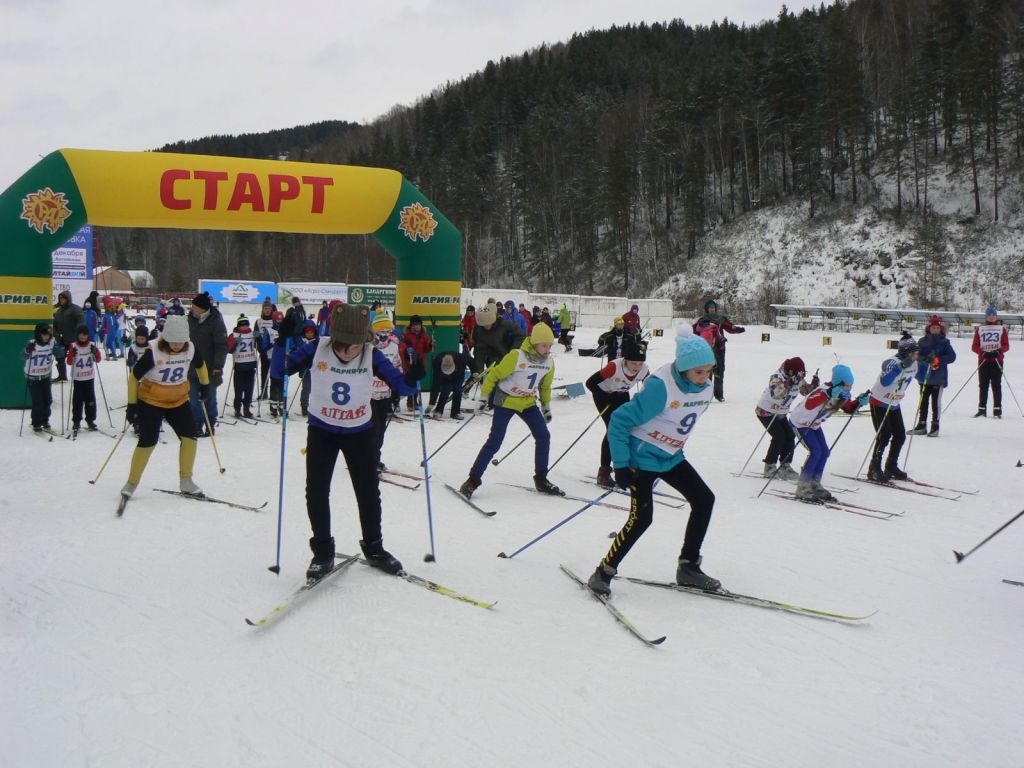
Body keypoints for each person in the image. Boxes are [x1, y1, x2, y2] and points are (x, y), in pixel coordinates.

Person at [285, 303, 425, 581]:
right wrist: (281, 343)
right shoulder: (317, 348)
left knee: (368, 491)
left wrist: (413, 376)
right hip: (322, 430)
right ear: (334, 339)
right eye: (344, 346)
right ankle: (323, 551)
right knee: (316, 490)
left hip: (360, 430)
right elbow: (281, 370)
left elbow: (401, 386)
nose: (351, 352)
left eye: (357, 345)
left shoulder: (371, 354)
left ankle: (374, 548)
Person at [586, 325, 721, 597]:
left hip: (670, 456)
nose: (705, 378)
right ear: (683, 368)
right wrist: (621, 465)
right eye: (698, 372)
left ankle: (688, 567)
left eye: (709, 371)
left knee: (704, 499)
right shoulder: (661, 388)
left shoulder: (704, 387)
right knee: (642, 519)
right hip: (641, 459)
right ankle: (603, 572)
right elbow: (619, 422)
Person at [458, 323, 561, 499]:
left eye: (550, 345)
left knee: (543, 436)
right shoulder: (517, 356)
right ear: (534, 343)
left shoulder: (549, 363)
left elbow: (545, 386)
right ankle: (472, 480)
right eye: (544, 345)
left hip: (527, 402)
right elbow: (494, 375)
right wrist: (483, 398)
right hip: (505, 400)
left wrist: (546, 406)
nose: (548, 349)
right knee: (495, 441)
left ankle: (541, 478)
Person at [120, 315, 210, 500]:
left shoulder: (190, 348)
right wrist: (131, 405)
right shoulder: (153, 350)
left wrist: (205, 386)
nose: (177, 346)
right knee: (148, 441)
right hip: (152, 401)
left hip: (178, 400)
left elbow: (201, 366)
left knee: (190, 437)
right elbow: (134, 377)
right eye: (173, 342)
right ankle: (132, 482)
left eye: (181, 342)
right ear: (166, 337)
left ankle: (186, 480)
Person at [788, 364, 863, 502]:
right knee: (816, 451)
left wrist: (859, 402)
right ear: (838, 382)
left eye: (851, 385)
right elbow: (809, 404)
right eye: (847, 385)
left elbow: (849, 408)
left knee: (825, 451)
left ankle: (815, 483)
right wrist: (827, 395)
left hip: (814, 425)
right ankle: (803, 486)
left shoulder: (841, 394)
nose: (849, 388)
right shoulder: (824, 390)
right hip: (800, 423)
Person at [586, 335, 650, 488]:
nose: (636, 367)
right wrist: (607, 398)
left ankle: (626, 465)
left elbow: (650, 388)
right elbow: (590, 383)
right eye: (633, 363)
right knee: (613, 430)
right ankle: (604, 472)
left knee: (630, 429)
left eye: (640, 364)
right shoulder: (614, 367)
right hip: (603, 395)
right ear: (626, 360)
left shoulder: (644, 370)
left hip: (621, 395)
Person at [866, 334, 919, 482]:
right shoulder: (892, 362)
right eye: (914, 352)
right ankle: (874, 468)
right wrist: (900, 367)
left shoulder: (914, 363)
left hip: (894, 403)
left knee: (900, 435)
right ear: (907, 352)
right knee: (884, 436)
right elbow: (885, 380)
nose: (917, 354)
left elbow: (918, 377)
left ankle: (891, 465)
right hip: (879, 401)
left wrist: (930, 364)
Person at [755, 358, 817, 479]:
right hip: (766, 411)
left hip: (781, 412)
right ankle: (770, 466)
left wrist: (813, 385)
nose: (800, 376)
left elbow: (806, 392)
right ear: (790, 371)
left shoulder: (798, 378)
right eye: (798, 373)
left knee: (790, 435)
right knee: (779, 436)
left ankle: (785, 465)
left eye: (802, 373)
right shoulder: (777, 377)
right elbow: (776, 394)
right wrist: (788, 383)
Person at [187, 292, 228, 436]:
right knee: (193, 397)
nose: (191, 308)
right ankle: (197, 423)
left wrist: (218, 366)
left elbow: (222, 345)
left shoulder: (216, 321)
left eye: (194, 306)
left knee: (210, 397)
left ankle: (210, 422)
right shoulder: (189, 320)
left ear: (202, 308)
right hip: (191, 368)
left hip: (209, 367)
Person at [369, 314, 405, 472]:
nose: (385, 333)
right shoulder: (369, 347)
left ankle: (376, 458)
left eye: (388, 330)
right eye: (381, 330)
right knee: (372, 430)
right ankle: (369, 460)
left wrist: (400, 383)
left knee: (381, 430)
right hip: (369, 394)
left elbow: (397, 365)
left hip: (385, 392)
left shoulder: (393, 346)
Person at [910, 316, 956, 436]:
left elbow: (952, 357)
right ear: (929, 329)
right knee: (923, 401)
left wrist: (938, 359)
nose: (935, 330)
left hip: (938, 377)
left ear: (941, 329)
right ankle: (922, 424)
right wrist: (925, 359)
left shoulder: (945, 342)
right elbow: (916, 356)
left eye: (937, 328)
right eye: (933, 328)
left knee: (936, 403)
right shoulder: (922, 341)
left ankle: (935, 425)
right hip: (924, 376)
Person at [694, 299, 746, 402]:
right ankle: (705, 395)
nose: (712, 309)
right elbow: (696, 330)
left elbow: (730, 327)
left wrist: (738, 329)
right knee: (707, 371)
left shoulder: (721, 319)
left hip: (720, 347)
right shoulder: (703, 320)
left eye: (713, 307)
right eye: (710, 307)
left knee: (720, 370)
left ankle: (719, 395)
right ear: (707, 309)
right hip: (707, 348)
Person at [972, 307, 1009, 418]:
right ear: (986, 316)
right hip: (984, 360)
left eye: (993, 315)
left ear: (996, 317)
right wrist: (982, 353)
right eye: (989, 315)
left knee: (996, 385)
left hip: (997, 360)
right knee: (983, 385)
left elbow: (1006, 345)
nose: (991, 317)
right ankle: (982, 410)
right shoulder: (980, 329)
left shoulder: (1001, 329)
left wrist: (998, 351)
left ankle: (997, 410)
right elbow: (974, 346)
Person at [67, 324, 102, 435]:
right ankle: (76, 421)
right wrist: (72, 354)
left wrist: (95, 351)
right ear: (78, 335)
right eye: (81, 335)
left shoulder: (91, 344)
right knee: (77, 401)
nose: (83, 337)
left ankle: (90, 420)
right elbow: (69, 362)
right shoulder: (73, 345)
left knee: (90, 400)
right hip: (78, 378)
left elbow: (98, 359)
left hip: (89, 377)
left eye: (85, 335)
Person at [472, 302, 525, 374]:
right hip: (492, 360)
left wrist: (513, 351)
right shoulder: (480, 330)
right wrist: (479, 369)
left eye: (488, 324)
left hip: (507, 356)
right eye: (484, 325)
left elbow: (521, 335)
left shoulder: (503, 324)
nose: (486, 326)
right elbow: (479, 350)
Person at [22, 323, 55, 433]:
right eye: (44, 335)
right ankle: (36, 423)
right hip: (33, 378)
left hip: (45, 376)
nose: (46, 337)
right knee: (38, 402)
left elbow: (60, 353)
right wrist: (28, 350)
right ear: (38, 334)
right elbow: (22, 356)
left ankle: (45, 420)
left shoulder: (51, 343)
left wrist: (60, 347)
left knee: (48, 400)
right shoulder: (32, 343)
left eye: (48, 335)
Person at [227, 315, 259, 418]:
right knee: (239, 390)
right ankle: (237, 409)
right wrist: (235, 343)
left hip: (250, 364)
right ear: (238, 326)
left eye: (246, 325)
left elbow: (259, 346)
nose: (245, 327)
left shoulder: (252, 334)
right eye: (242, 325)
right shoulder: (234, 335)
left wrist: (259, 338)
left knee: (249, 389)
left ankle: (246, 408)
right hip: (239, 365)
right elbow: (229, 350)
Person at [429, 349, 473, 420]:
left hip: (458, 374)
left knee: (458, 390)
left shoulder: (461, 359)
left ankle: (455, 413)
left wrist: (475, 371)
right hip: (444, 377)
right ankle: (438, 411)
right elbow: (435, 385)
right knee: (445, 390)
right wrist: (432, 402)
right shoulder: (437, 362)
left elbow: (471, 361)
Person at [401, 314, 433, 411]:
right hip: (410, 362)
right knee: (411, 383)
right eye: (414, 325)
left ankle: (415, 401)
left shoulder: (424, 335)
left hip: (420, 362)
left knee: (417, 383)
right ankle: (410, 402)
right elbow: (403, 347)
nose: (416, 327)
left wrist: (431, 345)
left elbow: (427, 349)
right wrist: (407, 352)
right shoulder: (406, 335)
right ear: (411, 325)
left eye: (418, 325)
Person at [52, 290, 85, 381]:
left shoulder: (75, 309)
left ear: (68, 299)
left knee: (76, 358)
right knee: (60, 356)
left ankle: (79, 374)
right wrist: (56, 334)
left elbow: (81, 320)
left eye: (64, 298)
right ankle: (62, 376)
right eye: (60, 298)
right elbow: (54, 324)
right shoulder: (58, 311)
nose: (62, 300)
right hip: (62, 339)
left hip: (73, 339)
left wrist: (79, 332)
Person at [126, 325, 152, 434]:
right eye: (138, 339)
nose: (140, 341)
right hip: (136, 379)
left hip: (149, 379)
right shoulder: (133, 348)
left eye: (143, 338)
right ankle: (136, 424)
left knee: (148, 402)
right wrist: (132, 360)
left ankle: (149, 423)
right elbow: (129, 363)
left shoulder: (150, 347)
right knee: (137, 402)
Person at [254, 299, 277, 400]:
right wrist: (259, 347)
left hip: (274, 350)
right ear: (263, 309)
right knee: (264, 372)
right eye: (265, 308)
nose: (267, 310)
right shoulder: (258, 321)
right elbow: (256, 335)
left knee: (274, 372)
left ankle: (274, 392)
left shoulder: (274, 321)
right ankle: (264, 392)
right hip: (263, 351)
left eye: (269, 308)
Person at [297, 320, 319, 417]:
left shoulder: (317, 342)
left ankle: (315, 406)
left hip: (316, 370)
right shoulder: (302, 342)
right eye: (307, 332)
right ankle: (304, 406)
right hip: (306, 369)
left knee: (315, 389)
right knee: (306, 388)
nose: (309, 334)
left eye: (311, 332)